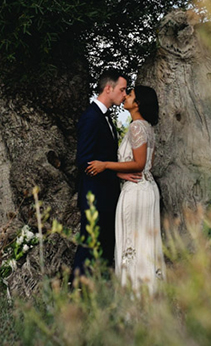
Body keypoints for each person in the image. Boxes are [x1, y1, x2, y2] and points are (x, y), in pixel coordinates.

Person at [86, 85, 164, 293]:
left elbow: (139, 164)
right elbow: (147, 165)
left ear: (138, 104)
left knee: (132, 242)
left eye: (130, 95)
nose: (125, 97)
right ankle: (148, 292)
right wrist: (120, 173)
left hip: (136, 192)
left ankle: (134, 296)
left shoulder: (136, 127)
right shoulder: (147, 127)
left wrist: (106, 165)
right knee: (144, 243)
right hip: (147, 188)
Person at [72, 68, 130, 278]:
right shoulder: (91, 117)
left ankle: (98, 293)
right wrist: (110, 170)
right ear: (108, 88)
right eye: (122, 90)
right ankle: (76, 290)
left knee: (104, 244)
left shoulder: (104, 117)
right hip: (95, 194)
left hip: (107, 193)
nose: (124, 95)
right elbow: (84, 160)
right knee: (90, 244)